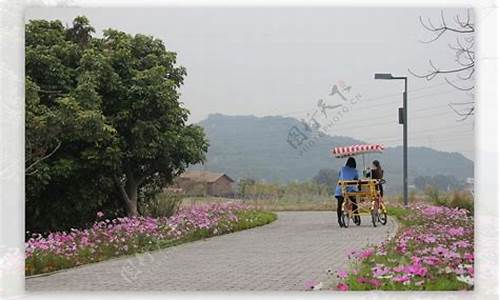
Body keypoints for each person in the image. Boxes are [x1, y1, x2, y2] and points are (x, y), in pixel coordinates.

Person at [334, 157, 359, 228]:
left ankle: (339, 220)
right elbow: (356, 180)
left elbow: (339, 176)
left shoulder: (342, 169)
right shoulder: (355, 171)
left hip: (340, 189)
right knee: (354, 202)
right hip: (349, 190)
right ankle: (356, 215)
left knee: (339, 205)